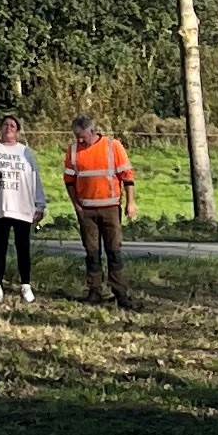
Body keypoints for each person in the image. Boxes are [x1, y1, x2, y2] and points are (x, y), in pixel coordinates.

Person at [64, 106, 137, 309]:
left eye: (82, 136)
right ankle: (94, 290)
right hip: (86, 211)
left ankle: (120, 292)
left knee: (114, 250)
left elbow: (128, 177)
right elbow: (69, 181)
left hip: (110, 208)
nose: (80, 140)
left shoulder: (113, 147)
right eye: (76, 136)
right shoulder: (72, 151)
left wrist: (130, 203)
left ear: (92, 131)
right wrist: (77, 205)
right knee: (92, 252)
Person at [0, 117, 44, 305]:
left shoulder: (26, 152)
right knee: (0, 247)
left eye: (12, 125)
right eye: (5, 125)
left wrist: (40, 204)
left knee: (23, 247)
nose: (8, 128)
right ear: (0, 129)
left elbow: (35, 178)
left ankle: (26, 285)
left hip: (22, 206)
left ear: (18, 130)